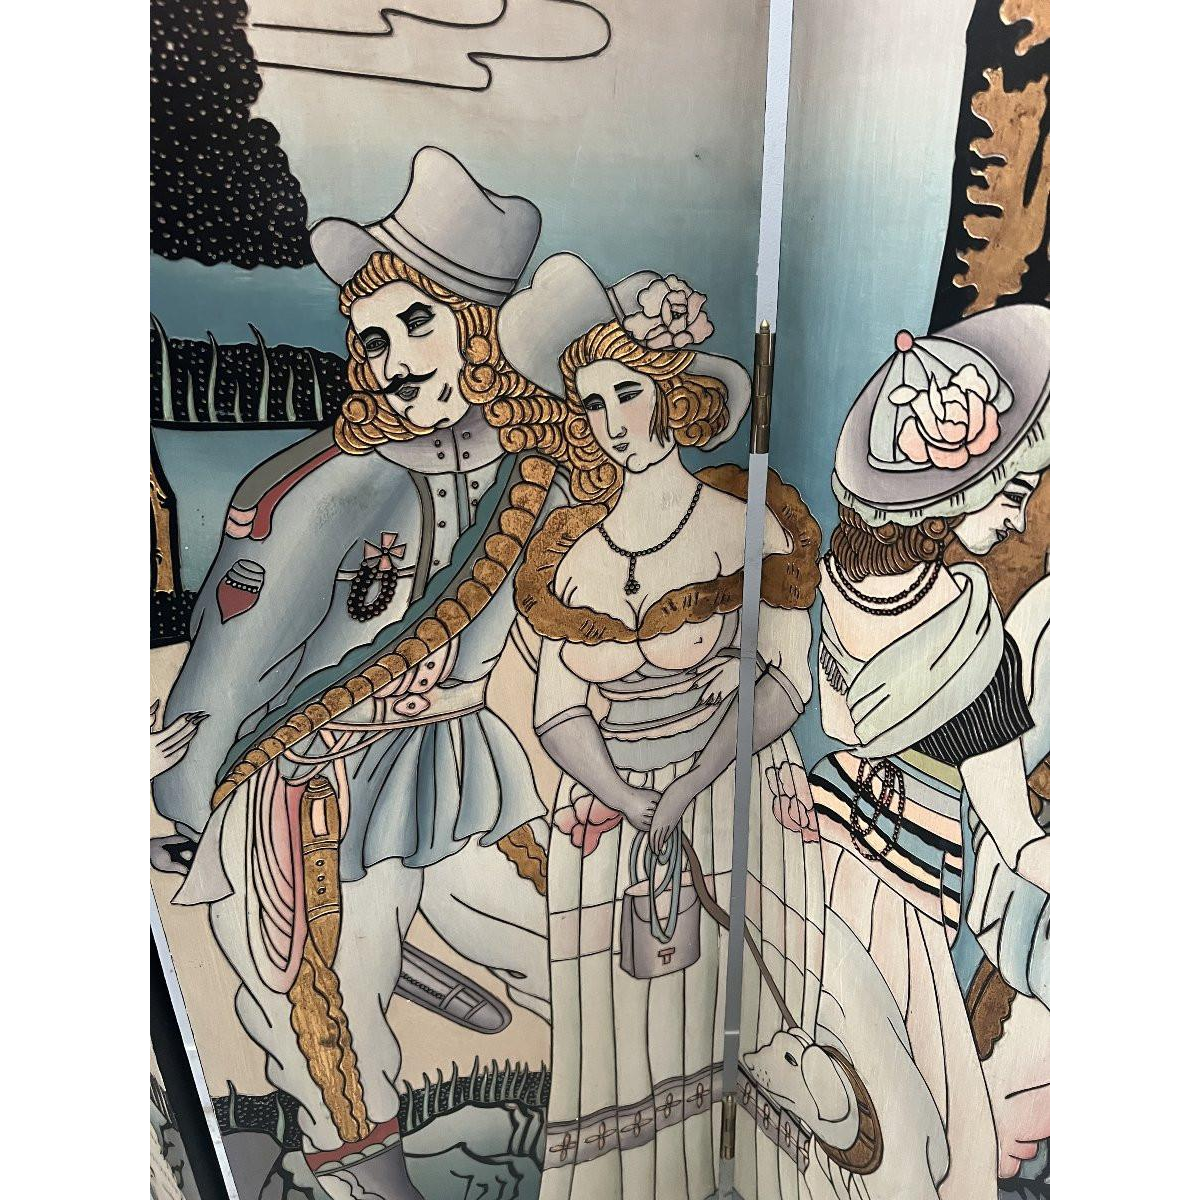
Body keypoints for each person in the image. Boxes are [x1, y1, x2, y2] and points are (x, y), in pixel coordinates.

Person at [152, 147, 574, 1200]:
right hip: (313, 780)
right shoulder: (326, 486)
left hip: (460, 760)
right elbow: (240, 647)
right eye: (374, 336)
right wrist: (189, 790)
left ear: (483, 331)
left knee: (569, 937)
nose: (392, 359)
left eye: (418, 322)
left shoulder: (538, 463)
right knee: (321, 1005)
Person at [500, 254, 828, 1200]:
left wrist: (683, 788)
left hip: (730, 795)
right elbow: (557, 710)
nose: (613, 423)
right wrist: (628, 797)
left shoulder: (744, 520)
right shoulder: (572, 553)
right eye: (594, 404)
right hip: (612, 819)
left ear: (673, 395)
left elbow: (788, 684)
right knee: (621, 1035)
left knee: (741, 1010)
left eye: (629, 394)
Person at [805, 304, 1050, 1197]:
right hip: (903, 888)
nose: (1018, 520)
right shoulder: (971, 637)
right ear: (956, 495)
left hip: (818, 847)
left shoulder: (842, 584)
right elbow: (1017, 838)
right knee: (949, 1151)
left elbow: (838, 722)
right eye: (1013, 495)